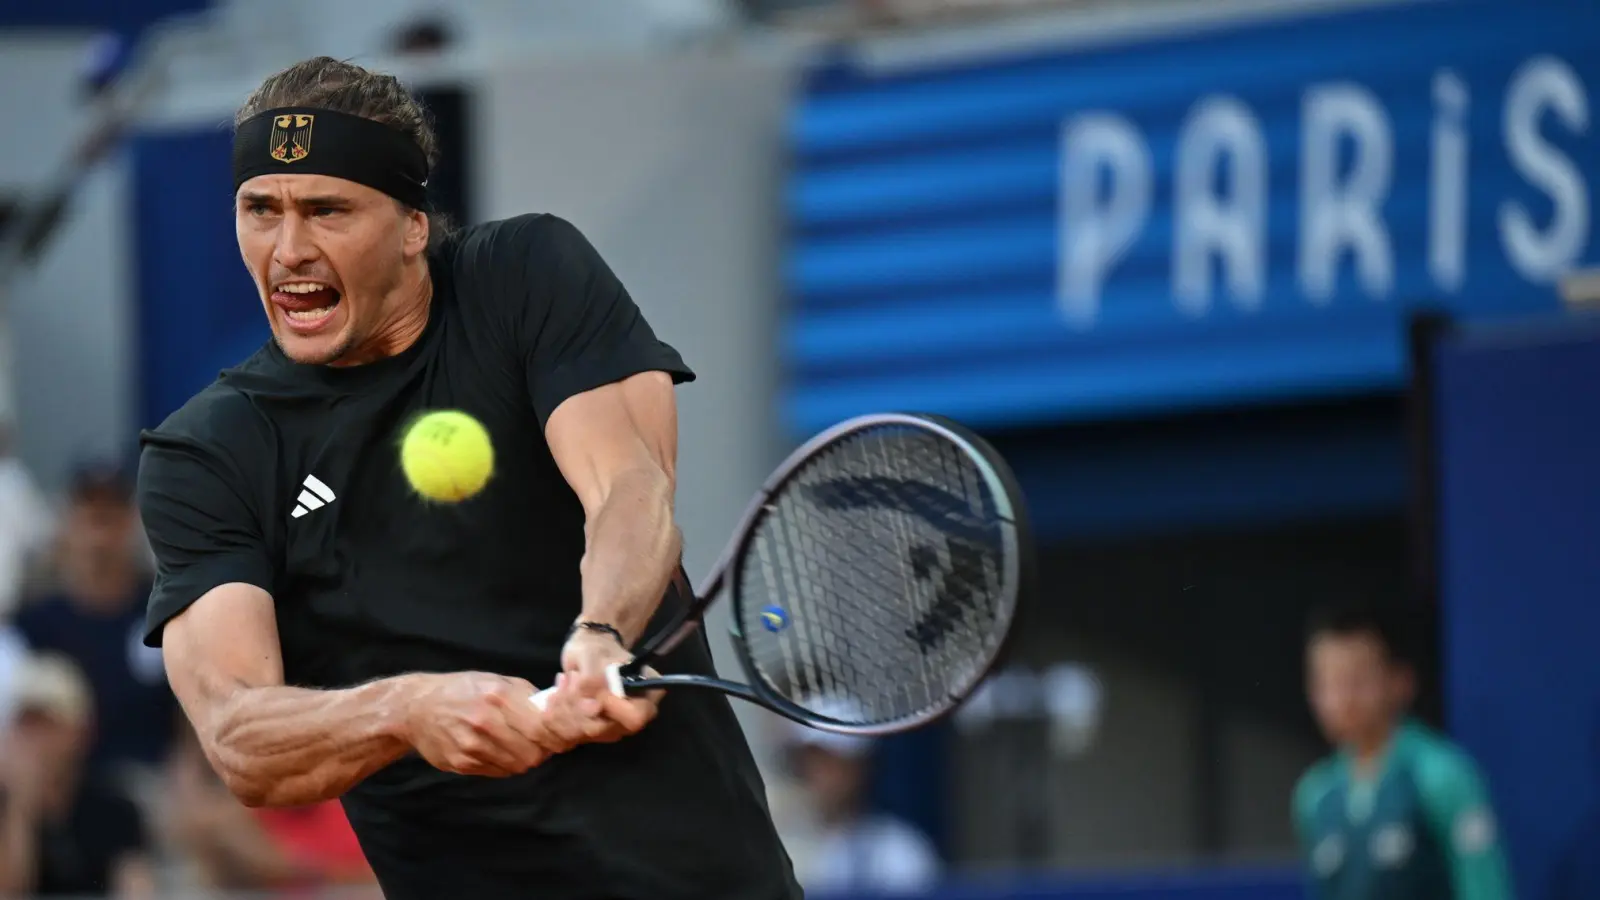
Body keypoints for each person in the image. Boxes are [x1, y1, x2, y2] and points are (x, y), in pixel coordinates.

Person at [135, 56, 799, 900]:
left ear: (413, 225)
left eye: (326, 210)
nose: (288, 249)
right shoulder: (209, 453)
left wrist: (599, 635)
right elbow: (238, 736)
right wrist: (404, 710)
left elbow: (631, 488)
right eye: (259, 210)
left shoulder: (525, 277)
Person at [1294, 603, 1513, 900]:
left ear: (1400, 682)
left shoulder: (1441, 776)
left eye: (1355, 681)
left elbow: (1485, 890)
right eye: (1326, 684)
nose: (1340, 700)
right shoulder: (1314, 795)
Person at [15, 462, 179, 780]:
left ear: (131, 521)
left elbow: (189, 724)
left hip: (151, 781)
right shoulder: (34, 626)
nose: (100, 533)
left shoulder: (167, 615)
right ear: (68, 521)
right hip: (61, 784)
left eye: (110, 516)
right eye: (90, 515)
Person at [0, 652, 156, 898]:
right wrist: (20, 804)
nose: (37, 739)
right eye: (27, 724)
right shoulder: (6, 806)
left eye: (49, 725)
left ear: (81, 731)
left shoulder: (113, 808)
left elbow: (136, 887)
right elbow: (9, 891)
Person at [784, 711, 941, 896]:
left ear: (860, 766)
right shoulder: (780, 842)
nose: (819, 773)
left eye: (831, 760)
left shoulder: (900, 850)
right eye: (811, 760)